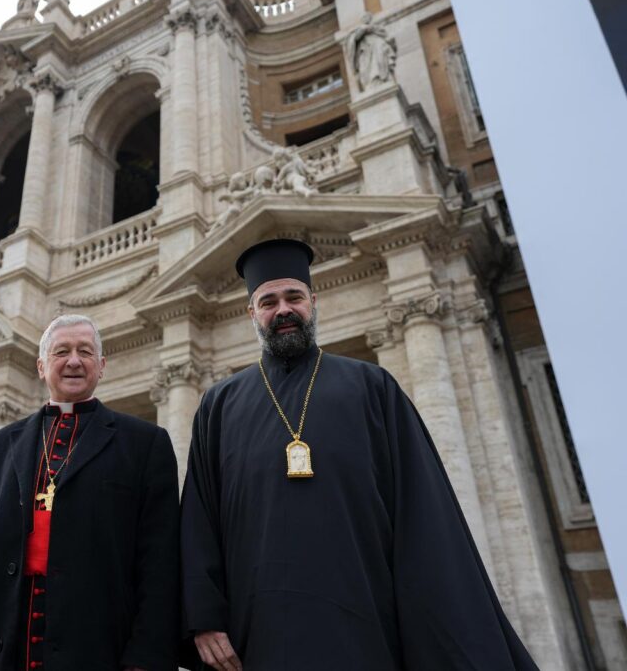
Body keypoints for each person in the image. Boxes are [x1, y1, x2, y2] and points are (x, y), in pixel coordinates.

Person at [179, 238, 539, 670]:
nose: (283, 311)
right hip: (256, 629)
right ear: (251, 313)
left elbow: (422, 509)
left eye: (294, 297)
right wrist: (204, 618)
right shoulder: (219, 405)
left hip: (367, 619)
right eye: (268, 302)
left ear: (314, 302)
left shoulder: (373, 387)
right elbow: (199, 520)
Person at [0, 314, 180, 671]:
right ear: (41, 367)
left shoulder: (145, 443)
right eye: (61, 351)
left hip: (98, 641)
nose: (74, 361)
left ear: (102, 366)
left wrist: (147, 653)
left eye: (85, 351)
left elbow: (160, 557)